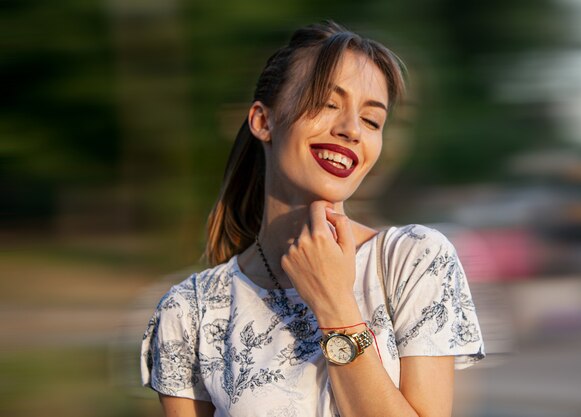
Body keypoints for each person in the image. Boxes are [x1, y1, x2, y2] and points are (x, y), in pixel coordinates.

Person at [141, 21, 485, 417]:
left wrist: (334, 306)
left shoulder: (414, 260)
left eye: (372, 120)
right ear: (263, 121)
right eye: (327, 103)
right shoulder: (191, 310)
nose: (352, 129)